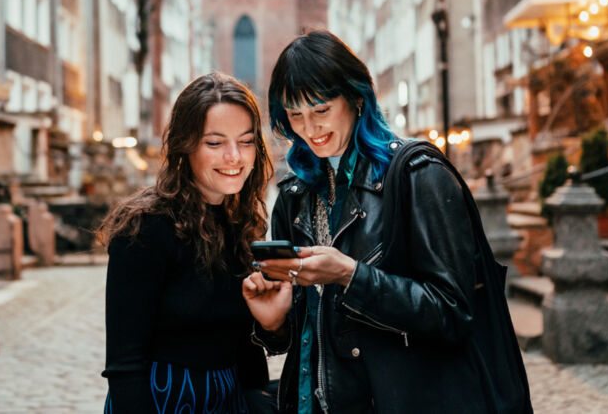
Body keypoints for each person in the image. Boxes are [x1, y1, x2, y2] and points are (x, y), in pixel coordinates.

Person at [242, 30, 532, 413]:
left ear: (356, 98)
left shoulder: (416, 175)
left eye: (321, 110)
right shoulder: (295, 198)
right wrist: (275, 324)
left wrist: (350, 275)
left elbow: (452, 310)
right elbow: (314, 332)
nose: (309, 129)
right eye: (295, 115)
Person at [101, 72, 276, 414]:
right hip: (162, 400)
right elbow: (124, 365)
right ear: (186, 144)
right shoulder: (143, 228)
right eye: (214, 143)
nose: (234, 156)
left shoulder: (241, 223)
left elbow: (244, 345)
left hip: (230, 401)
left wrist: (272, 324)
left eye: (246, 141)